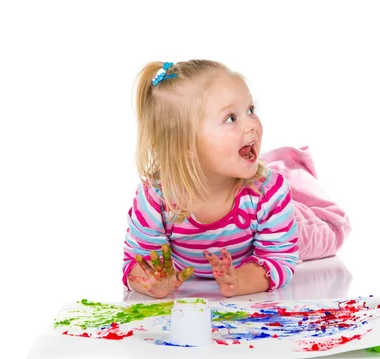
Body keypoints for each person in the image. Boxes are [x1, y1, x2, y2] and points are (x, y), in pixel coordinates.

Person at [122, 60, 351, 299]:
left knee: (334, 230)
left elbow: (279, 257)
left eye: (250, 110)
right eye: (231, 118)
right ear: (185, 145)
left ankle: (293, 168)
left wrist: (242, 280)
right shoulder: (156, 197)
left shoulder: (269, 193)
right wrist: (151, 281)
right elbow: (137, 261)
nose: (252, 124)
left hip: (284, 225)